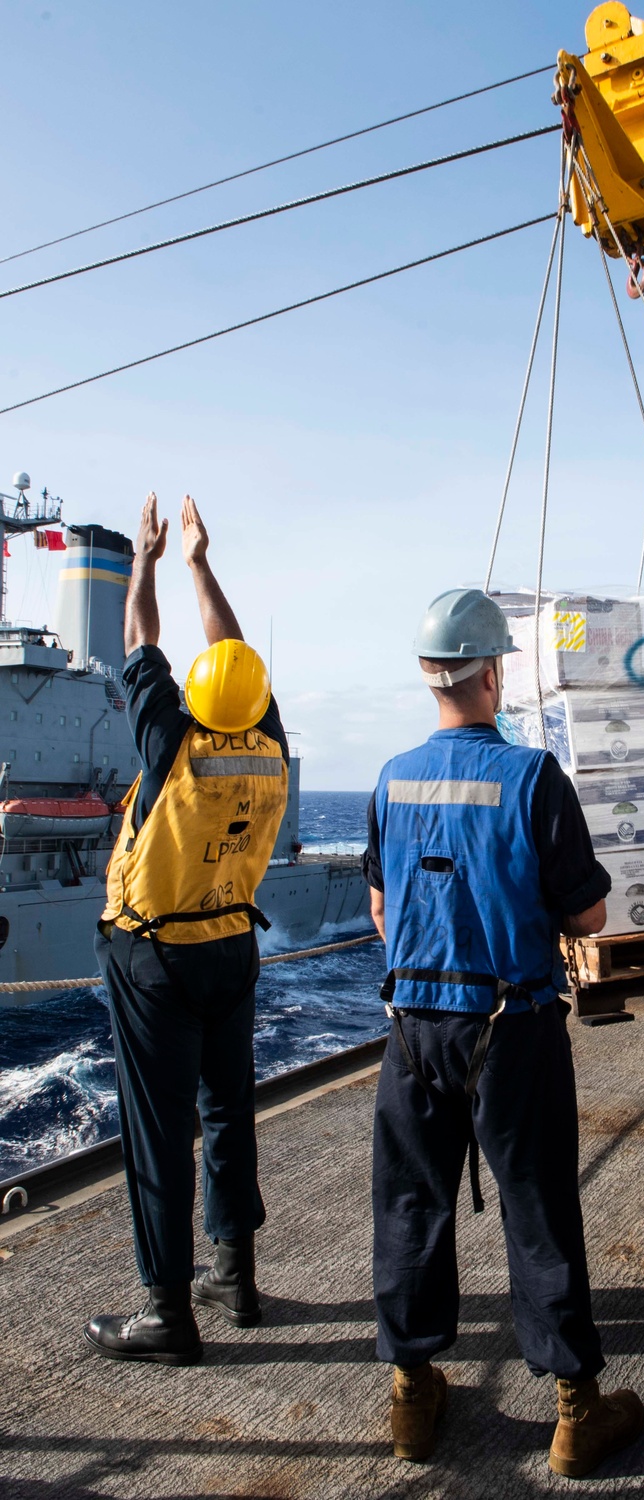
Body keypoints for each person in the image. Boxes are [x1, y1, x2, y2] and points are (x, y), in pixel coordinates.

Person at [363, 587, 643, 1478]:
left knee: (410, 1207)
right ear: (492, 674)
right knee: (539, 1210)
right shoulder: (532, 777)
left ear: (427, 677)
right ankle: (574, 1410)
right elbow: (589, 913)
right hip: (509, 1028)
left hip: (412, 1031)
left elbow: (380, 908)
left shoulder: (389, 778)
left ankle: (412, 1396)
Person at [84, 493, 289, 1365]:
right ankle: (233, 1276)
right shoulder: (271, 744)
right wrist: (204, 562)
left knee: (157, 1129)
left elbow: (139, 641)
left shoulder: (170, 741)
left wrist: (148, 561)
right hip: (231, 946)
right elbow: (234, 660)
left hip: (155, 954)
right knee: (228, 1112)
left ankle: (168, 1312)